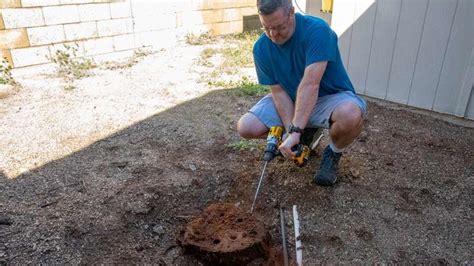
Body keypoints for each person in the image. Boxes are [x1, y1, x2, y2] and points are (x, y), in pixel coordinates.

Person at [237, 0, 367, 186]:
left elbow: (310, 84)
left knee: (350, 115)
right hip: (291, 97)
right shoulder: (261, 48)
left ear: (291, 12)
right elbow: (279, 92)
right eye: (266, 28)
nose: (273, 34)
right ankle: (305, 135)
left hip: (329, 97)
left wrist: (296, 130)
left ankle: (333, 153)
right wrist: (291, 130)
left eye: (279, 27)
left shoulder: (317, 31)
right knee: (246, 127)